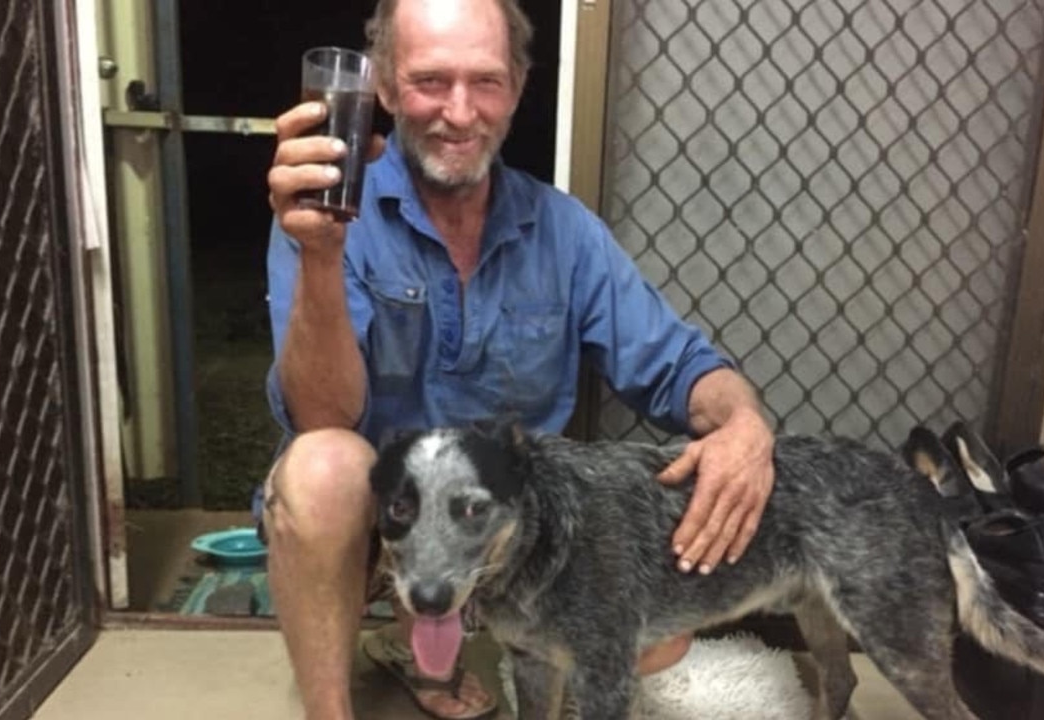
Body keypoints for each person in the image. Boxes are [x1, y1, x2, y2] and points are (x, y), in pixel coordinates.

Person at [261, 0, 776, 717]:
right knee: (321, 468)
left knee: (656, 642)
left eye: (487, 81)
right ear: (381, 86)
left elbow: (679, 367)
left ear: (520, 86)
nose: (461, 112)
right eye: (431, 81)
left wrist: (746, 426)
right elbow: (321, 416)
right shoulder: (326, 214)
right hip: (379, 519)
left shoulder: (563, 231)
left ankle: (423, 639)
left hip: (495, 529)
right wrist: (320, 254)